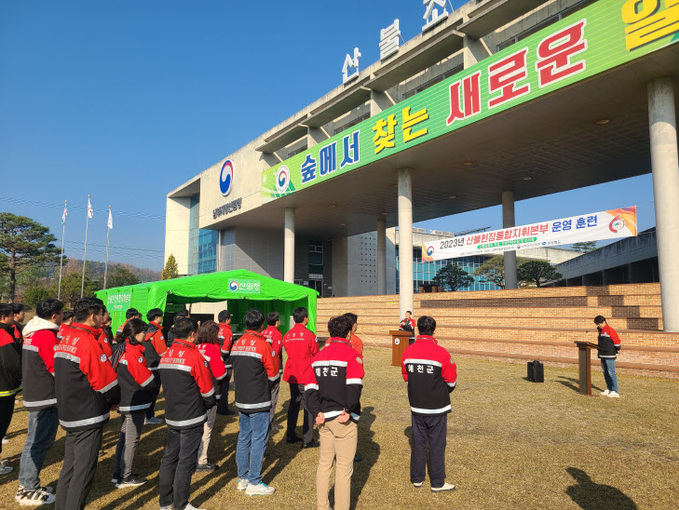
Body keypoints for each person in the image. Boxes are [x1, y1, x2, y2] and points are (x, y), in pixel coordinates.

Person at [54, 297, 120, 510]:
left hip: (69, 411)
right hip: (87, 415)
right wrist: (114, 401)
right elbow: (106, 382)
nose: (105, 319)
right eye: (103, 315)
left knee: (70, 469)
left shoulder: (66, 337)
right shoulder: (87, 342)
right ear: (93, 317)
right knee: (83, 473)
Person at [306, 315, 364, 510]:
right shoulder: (351, 354)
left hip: (324, 418)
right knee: (344, 469)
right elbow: (354, 388)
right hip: (342, 419)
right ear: (349, 333)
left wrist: (316, 412)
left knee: (324, 465)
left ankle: (322, 507)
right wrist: (348, 410)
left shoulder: (318, 356)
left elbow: (310, 390)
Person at [158, 318, 215, 510]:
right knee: (186, 460)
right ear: (192, 334)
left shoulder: (166, 354)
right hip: (191, 416)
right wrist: (209, 404)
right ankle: (181, 504)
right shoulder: (194, 356)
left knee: (169, 457)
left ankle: (165, 501)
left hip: (172, 414)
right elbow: (207, 390)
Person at [401, 315, 457, 492]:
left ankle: (417, 479)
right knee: (437, 444)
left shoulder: (407, 351)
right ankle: (438, 482)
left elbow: (406, 376)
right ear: (434, 330)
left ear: (417, 329)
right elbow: (451, 381)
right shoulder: (441, 352)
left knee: (417, 442)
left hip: (416, 405)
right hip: (437, 406)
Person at [16, 299, 63, 505]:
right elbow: (56, 369)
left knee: (33, 441)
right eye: (61, 314)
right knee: (38, 443)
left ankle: (27, 483)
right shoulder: (45, 335)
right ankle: (28, 488)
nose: (62, 317)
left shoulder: (33, 332)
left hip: (36, 393)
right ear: (54, 316)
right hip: (45, 396)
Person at [230, 309, 278, 495]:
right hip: (258, 399)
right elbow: (273, 373)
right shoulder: (263, 345)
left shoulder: (237, 343)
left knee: (244, 437)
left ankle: (242, 478)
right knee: (259, 439)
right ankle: (254, 482)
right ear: (261, 325)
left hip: (241, 399)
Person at [113, 318, 160, 488]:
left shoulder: (121, 349)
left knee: (123, 437)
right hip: (134, 402)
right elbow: (146, 380)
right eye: (143, 333)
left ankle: (118, 472)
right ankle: (126, 476)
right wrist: (155, 389)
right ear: (137, 334)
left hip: (124, 400)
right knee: (131, 440)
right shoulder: (133, 353)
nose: (145, 336)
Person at [283, 307, 319, 448]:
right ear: (305, 318)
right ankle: (307, 439)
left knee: (294, 404)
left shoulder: (288, 335)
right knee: (308, 406)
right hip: (305, 374)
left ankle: (290, 434)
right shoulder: (309, 335)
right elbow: (316, 352)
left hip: (293, 374)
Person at [196, 320, 227, 471]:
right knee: (206, 427)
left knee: (195, 426)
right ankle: (201, 460)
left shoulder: (196, 346)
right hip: (208, 393)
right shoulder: (213, 348)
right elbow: (220, 374)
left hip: (193, 393)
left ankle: (192, 456)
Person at [0, 303, 22, 476]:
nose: (12, 318)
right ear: (4, 317)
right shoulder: (3, 334)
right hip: (3, 388)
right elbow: (13, 363)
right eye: (10, 315)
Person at [144, 308, 167, 425]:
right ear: (157, 318)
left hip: (144, 365)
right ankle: (149, 416)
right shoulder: (157, 333)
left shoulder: (144, 330)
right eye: (161, 317)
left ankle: (145, 415)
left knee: (144, 392)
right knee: (153, 392)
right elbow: (162, 352)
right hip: (155, 366)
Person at [262, 311, 283, 430]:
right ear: (276, 322)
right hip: (274, 368)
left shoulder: (263, 332)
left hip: (263, 367)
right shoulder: (277, 334)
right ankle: (270, 422)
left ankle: (265, 419)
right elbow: (276, 352)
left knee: (265, 394)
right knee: (273, 396)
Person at [594, 315, 622, 398]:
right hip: (602, 354)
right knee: (605, 372)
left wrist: (616, 349)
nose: (598, 326)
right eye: (597, 324)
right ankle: (609, 388)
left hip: (609, 354)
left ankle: (615, 391)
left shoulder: (610, 330)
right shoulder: (600, 331)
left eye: (599, 324)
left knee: (611, 372)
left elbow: (617, 342)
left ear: (603, 322)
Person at [216, 309, 235, 416]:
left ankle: (216, 406)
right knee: (224, 387)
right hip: (225, 364)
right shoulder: (228, 331)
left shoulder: (214, 328)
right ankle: (223, 408)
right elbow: (225, 350)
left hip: (213, 363)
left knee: (216, 386)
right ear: (227, 320)